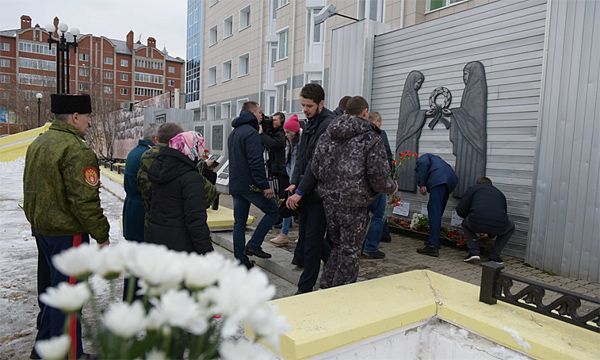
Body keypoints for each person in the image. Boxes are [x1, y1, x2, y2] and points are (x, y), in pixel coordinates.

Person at [23, 93, 110, 359]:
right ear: (74, 117)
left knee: (53, 294)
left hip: (43, 229)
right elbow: (84, 201)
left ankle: (43, 351)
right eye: (87, 118)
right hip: (67, 234)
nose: (88, 124)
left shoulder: (40, 142)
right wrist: (101, 234)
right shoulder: (76, 149)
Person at [309, 96, 398, 289]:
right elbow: (379, 178)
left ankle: (326, 286)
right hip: (355, 204)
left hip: (329, 200)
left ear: (346, 112)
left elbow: (315, 169)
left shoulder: (327, 134)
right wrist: (392, 187)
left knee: (337, 246)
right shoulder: (371, 138)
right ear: (365, 112)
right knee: (350, 251)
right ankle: (342, 295)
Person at [286, 83, 336, 294]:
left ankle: (304, 289)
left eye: (309, 105)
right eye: (303, 105)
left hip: (320, 194)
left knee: (312, 244)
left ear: (321, 103)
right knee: (309, 240)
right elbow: (302, 158)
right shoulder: (310, 123)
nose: (304, 109)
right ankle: (338, 266)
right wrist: (295, 182)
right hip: (308, 191)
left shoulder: (328, 125)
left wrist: (300, 192)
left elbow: (316, 163)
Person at [138, 123, 218, 236]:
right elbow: (208, 194)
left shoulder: (147, 159)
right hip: (180, 232)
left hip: (153, 227)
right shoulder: (177, 164)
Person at [228, 101, 279, 269]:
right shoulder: (251, 134)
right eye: (259, 112)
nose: (261, 116)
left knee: (239, 223)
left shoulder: (234, 133)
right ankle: (254, 244)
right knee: (273, 210)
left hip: (236, 184)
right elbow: (256, 163)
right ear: (252, 113)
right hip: (250, 185)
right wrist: (264, 186)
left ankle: (240, 260)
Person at [145, 132, 213, 254]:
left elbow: (151, 205)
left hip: (156, 240)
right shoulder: (191, 178)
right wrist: (208, 251)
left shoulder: (159, 170)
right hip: (181, 245)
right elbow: (196, 220)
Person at [122, 123, 158, 300]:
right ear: (156, 139)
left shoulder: (135, 151)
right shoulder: (147, 154)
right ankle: (137, 300)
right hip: (141, 209)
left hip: (132, 207)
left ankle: (131, 298)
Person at [456, 177, 514, 264]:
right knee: (511, 226)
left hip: (475, 222)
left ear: (478, 184)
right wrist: (491, 235)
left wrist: (469, 216)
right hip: (498, 225)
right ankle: (495, 256)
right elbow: (502, 217)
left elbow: (460, 210)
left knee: (466, 223)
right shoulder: (499, 193)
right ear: (491, 185)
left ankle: (473, 252)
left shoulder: (473, 189)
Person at [363, 111, 394, 259]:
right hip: (377, 182)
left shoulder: (359, 135)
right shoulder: (380, 135)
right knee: (379, 215)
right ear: (376, 122)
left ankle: (360, 245)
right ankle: (370, 247)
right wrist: (391, 180)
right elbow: (387, 156)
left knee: (363, 214)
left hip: (362, 183)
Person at [414, 153, 458, 257]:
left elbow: (423, 164)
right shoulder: (437, 160)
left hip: (439, 180)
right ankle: (434, 240)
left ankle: (433, 246)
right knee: (436, 211)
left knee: (434, 213)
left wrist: (421, 184)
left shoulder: (423, 158)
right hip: (450, 180)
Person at [270, 114, 301, 245]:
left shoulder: (299, 145)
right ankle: (284, 233)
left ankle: (297, 234)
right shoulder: (289, 143)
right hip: (292, 180)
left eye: (288, 132)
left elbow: (297, 164)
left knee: (301, 209)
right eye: (285, 132)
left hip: (299, 181)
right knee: (288, 205)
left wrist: (296, 182)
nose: (286, 135)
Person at [260, 111, 287, 199]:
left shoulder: (283, 132)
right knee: (280, 192)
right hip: (277, 167)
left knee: (283, 191)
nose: (273, 122)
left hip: (282, 169)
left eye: (275, 120)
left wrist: (262, 134)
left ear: (281, 121)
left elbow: (273, 143)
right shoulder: (275, 132)